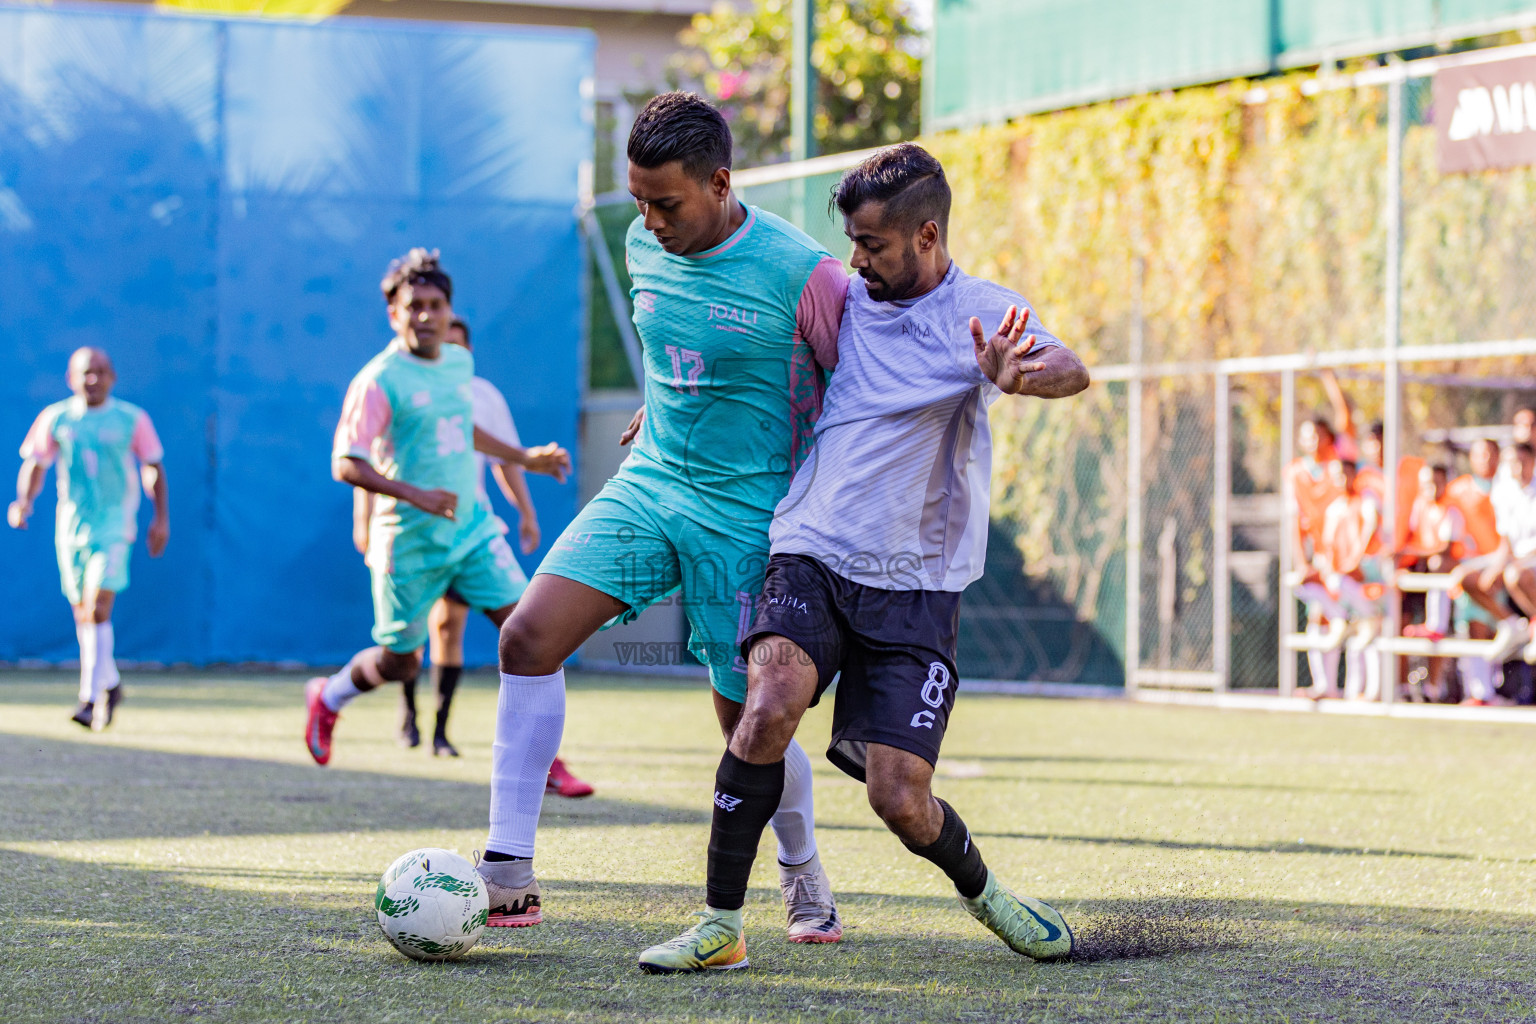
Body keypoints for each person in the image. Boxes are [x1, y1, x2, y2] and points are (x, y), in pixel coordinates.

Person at [636, 144, 1090, 973]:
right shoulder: (843, 299)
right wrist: (661, 405)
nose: (855, 259)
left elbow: (1069, 366)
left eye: (872, 245)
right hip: (810, 549)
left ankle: (988, 895)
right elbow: (739, 344)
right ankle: (721, 925)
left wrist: (1017, 377)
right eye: (850, 242)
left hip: (916, 588)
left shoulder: (981, 310)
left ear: (925, 235)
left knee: (900, 799)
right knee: (766, 708)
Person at [476, 93, 848, 938]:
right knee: (526, 637)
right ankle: (509, 870)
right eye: (638, 200)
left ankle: (801, 870)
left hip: (748, 518)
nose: (647, 219)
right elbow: (672, 343)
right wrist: (657, 402)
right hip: (648, 488)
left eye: (665, 202)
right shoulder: (646, 241)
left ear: (720, 182)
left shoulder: (804, 274)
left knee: (746, 718)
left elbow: (858, 397)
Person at [304, 249, 571, 768]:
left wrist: (522, 458)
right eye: (415, 306)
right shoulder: (378, 380)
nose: (426, 316)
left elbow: (460, 426)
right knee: (400, 663)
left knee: (532, 631)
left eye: (435, 305)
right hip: (408, 541)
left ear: (451, 311)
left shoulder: (458, 362)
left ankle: (542, 762)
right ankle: (329, 696)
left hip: (471, 531)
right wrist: (416, 494)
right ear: (394, 314)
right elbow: (346, 464)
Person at [9, 348, 169, 730]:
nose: (93, 380)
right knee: (84, 612)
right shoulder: (57, 418)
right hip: (72, 528)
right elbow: (36, 463)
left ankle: (89, 697)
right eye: (85, 373)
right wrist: (23, 502)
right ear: (71, 378)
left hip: (115, 523)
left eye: (100, 372)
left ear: (112, 377)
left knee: (99, 607)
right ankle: (110, 684)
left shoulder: (132, 419)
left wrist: (160, 518)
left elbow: (152, 466)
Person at [1448, 439, 1522, 703]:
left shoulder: (1510, 487)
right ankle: (1480, 692)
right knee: (1475, 625)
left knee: (1491, 631)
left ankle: (1491, 689)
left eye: (1491, 454)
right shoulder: (1457, 491)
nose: (1485, 459)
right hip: (1477, 566)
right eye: (1480, 454)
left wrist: (1500, 563)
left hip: (1503, 565)